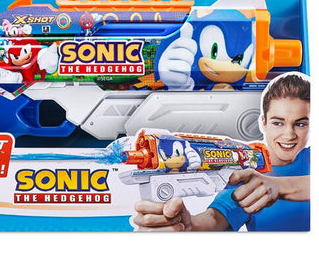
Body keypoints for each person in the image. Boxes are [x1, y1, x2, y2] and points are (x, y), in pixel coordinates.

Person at [133, 73, 310, 231]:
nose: (289, 135)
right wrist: (188, 226)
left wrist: (278, 186)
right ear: (263, 122)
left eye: (300, 124)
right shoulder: (248, 174)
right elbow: (214, 219)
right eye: (278, 123)